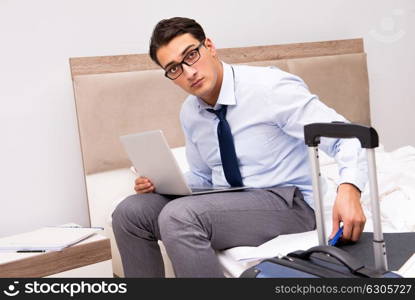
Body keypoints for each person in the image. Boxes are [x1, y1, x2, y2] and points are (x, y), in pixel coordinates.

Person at [112, 17, 367, 278]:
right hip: (230, 200)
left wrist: (349, 188)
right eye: (174, 68)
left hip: (290, 201)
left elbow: (347, 137)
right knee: (129, 212)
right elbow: (202, 176)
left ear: (209, 46)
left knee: (179, 217)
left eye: (191, 55)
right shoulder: (190, 112)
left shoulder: (270, 88)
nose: (189, 72)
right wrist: (162, 184)